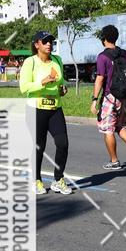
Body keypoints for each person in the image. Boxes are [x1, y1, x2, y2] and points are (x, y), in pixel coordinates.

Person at [19, 31, 72, 195]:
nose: (49, 44)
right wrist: (42, 82)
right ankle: (37, 180)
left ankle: (58, 180)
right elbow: (24, 88)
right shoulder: (30, 62)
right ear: (37, 45)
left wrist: (62, 89)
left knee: (62, 143)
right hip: (35, 108)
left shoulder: (57, 60)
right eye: (45, 41)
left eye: (51, 41)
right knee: (38, 147)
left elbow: (61, 83)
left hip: (55, 107)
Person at [90, 24, 126, 170]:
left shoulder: (103, 57)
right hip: (124, 97)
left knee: (108, 130)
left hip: (110, 97)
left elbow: (100, 79)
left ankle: (114, 161)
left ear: (104, 39)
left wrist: (94, 100)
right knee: (121, 125)